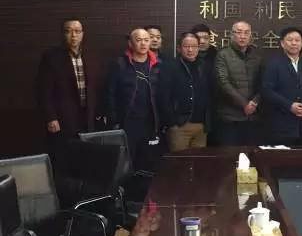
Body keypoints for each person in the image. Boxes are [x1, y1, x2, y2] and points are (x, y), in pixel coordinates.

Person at [36, 18, 100, 170]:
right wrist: (51, 117)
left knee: (86, 156)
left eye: (77, 31)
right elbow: (43, 90)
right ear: (62, 34)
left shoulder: (90, 55)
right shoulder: (52, 57)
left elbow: (95, 87)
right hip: (63, 117)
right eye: (68, 31)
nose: (73, 35)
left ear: (83, 34)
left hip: (87, 115)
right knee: (64, 158)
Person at [105, 28, 162, 170]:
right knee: (125, 164)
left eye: (146, 40)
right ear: (130, 43)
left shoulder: (158, 64)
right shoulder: (120, 64)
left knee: (147, 164)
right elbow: (110, 94)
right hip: (127, 122)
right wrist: (114, 120)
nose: (143, 43)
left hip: (150, 122)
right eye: (139, 40)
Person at [262, 27, 302, 145]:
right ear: (282, 43)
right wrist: (289, 105)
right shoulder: (273, 64)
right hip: (281, 125)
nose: (294, 43)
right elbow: (267, 91)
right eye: (290, 40)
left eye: (297, 40)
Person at [160, 32, 209, 152]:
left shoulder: (204, 66)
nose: (190, 50)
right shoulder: (170, 67)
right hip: (179, 126)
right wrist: (172, 123)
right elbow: (163, 96)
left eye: (194, 46)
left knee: (199, 161)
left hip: (201, 126)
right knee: (179, 161)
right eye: (186, 46)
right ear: (179, 48)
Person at [215, 21, 262, 145]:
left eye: (246, 33)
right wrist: (244, 104)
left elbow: (264, 83)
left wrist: (255, 102)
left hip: (253, 117)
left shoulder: (257, 56)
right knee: (230, 154)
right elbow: (223, 82)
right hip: (230, 117)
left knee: (252, 154)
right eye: (239, 32)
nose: (243, 36)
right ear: (231, 35)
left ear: (250, 35)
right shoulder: (223, 55)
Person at [191, 23, 219, 145]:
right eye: (198, 38)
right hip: (193, 114)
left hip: (216, 111)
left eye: (205, 38)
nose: (202, 41)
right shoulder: (186, 57)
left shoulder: (219, 57)